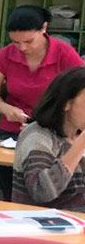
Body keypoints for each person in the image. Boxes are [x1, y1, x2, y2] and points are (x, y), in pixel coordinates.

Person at [0, 5, 83, 200]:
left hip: (58, 130)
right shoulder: (5, 55)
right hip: (13, 131)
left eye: (29, 41)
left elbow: (79, 87)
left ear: (44, 28)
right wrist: (7, 109)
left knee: (63, 188)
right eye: (16, 42)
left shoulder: (64, 53)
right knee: (15, 191)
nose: (22, 48)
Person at [12, 66, 85, 211]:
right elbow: (41, 192)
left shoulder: (77, 132)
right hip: (42, 224)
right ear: (66, 103)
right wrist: (81, 144)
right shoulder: (38, 136)